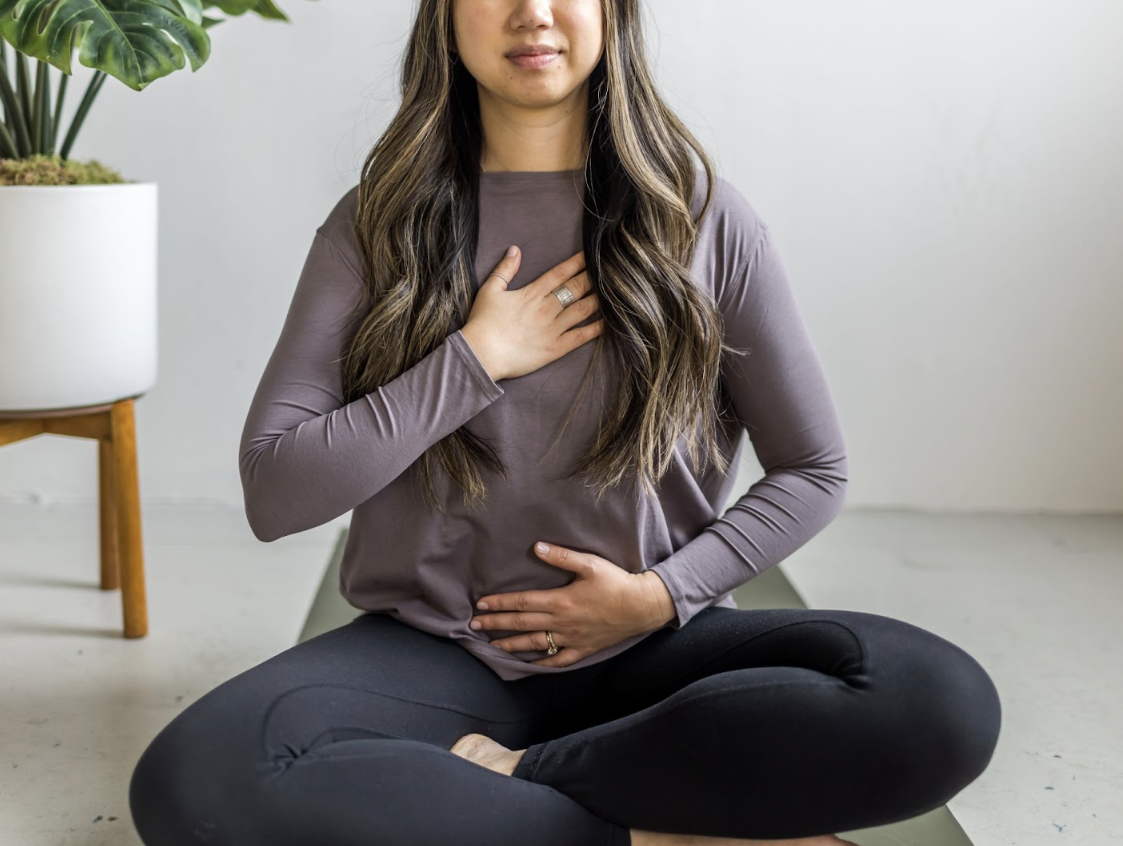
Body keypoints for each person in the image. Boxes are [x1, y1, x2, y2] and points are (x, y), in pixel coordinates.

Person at [128, 1, 1002, 844]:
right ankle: (670, 837)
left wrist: (657, 598)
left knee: (938, 700)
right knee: (196, 780)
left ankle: (518, 779)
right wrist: (473, 361)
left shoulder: (705, 218)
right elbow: (275, 491)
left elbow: (815, 470)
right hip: (440, 655)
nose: (533, 12)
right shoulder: (375, 227)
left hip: (659, 655)